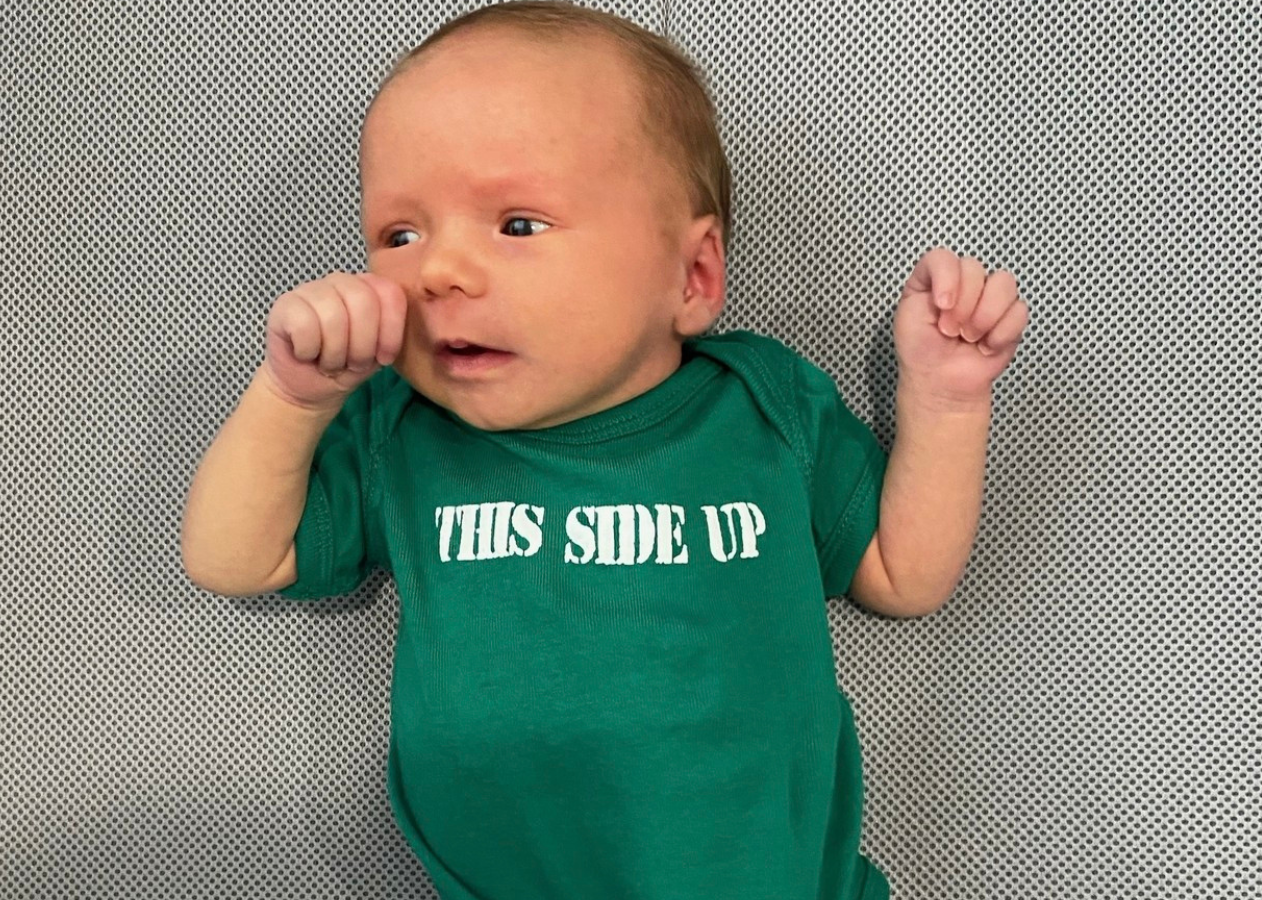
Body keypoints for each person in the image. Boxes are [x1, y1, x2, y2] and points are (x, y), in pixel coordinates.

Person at [180, 2, 1028, 897]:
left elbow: (903, 576)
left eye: (517, 225)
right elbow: (233, 558)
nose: (435, 272)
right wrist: (294, 397)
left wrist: (944, 403)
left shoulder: (762, 406)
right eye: (400, 234)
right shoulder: (407, 432)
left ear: (692, 277)